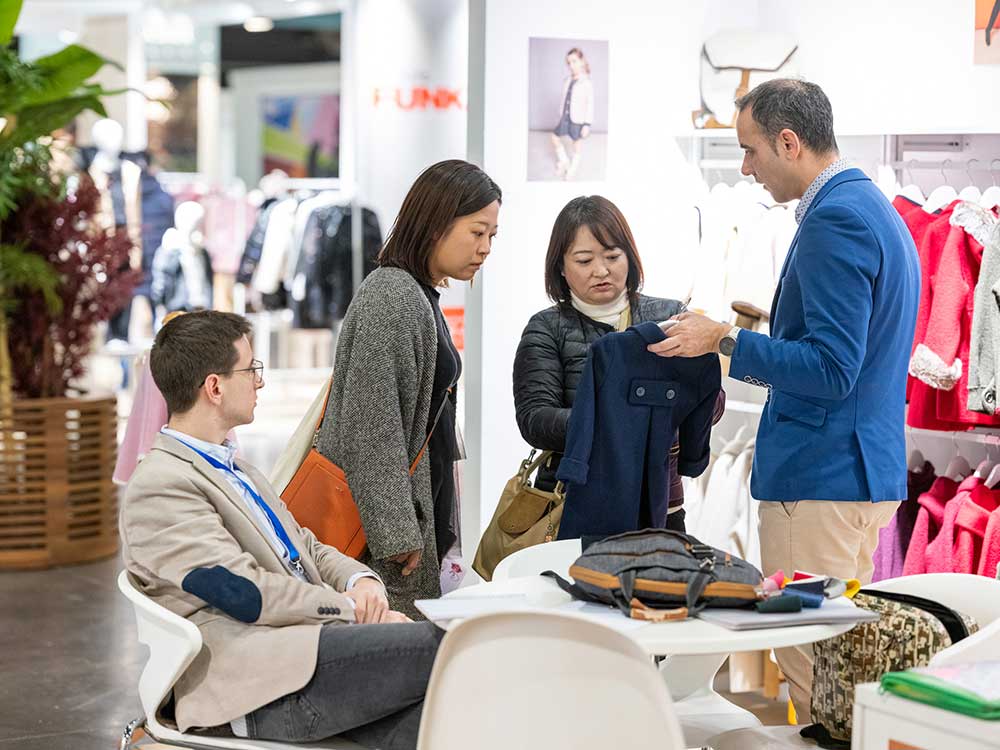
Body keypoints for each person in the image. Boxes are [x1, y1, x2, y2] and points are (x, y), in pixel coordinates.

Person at [648, 79, 920, 719]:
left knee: (814, 668)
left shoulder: (836, 221)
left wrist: (726, 339)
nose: (745, 169)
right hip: (859, 469)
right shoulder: (873, 208)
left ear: (789, 142)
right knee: (846, 668)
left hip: (821, 475)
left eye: (750, 151)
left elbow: (831, 369)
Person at [120, 311, 442, 748]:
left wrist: (359, 579)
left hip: (302, 654)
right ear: (214, 387)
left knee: (439, 718)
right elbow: (244, 592)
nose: (260, 381)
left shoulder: (235, 468)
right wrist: (350, 608)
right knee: (449, 648)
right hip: (255, 685)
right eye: (251, 369)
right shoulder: (160, 486)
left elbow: (303, 545)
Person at [316, 160, 501, 618]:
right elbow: (372, 424)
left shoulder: (416, 293)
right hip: (385, 540)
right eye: (477, 232)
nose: (485, 248)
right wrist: (396, 533)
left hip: (409, 518)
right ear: (436, 223)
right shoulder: (393, 295)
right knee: (395, 652)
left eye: (492, 236)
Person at [513, 195, 724, 534]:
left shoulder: (671, 317)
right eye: (584, 260)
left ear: (630, 257)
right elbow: (535, 419)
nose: (601, 270)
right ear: (561, 268)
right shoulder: (546, 327)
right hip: (573, 500)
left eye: (612, 256)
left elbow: (707, 403)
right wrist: (621, 421)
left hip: (659, 503)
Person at [550, 47, 594, 180]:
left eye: (574, 61)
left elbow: (590, 104)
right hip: (565, 117)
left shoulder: (586, 83)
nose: (571, 65)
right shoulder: (567, 80)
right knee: (554, 137)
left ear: (581, 61)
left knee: (576, 143)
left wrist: (587, 124)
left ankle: (573, 167)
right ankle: (564, 161)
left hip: (578, 119)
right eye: (569, 63)